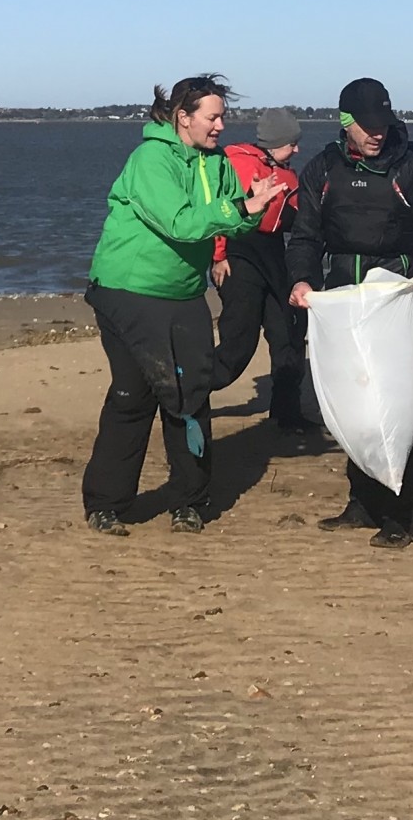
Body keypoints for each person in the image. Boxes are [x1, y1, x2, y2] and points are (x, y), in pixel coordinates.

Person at [81, 75, 289, 535]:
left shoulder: (215, 162)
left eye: (222, 117)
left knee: (189, 394)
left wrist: (251, 207)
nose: (220, 126)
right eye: (212, 117)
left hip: (183, 292)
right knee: (134, 394)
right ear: (183, 117)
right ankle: (106, 503)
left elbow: (226, 223)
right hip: (128, 289)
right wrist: (239, 211)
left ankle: (190, 501)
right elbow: (179, 223)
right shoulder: (150, 159)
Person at [287, 78, 413, 549]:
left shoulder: (409, 168)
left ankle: (403, 515)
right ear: (345, 123)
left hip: (393, 297)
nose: (376, 134)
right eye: (366, 126)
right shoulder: (322, 169)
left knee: (404, 402)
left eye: (382, 124)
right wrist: (299, 280)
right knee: (355, 400)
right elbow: (304, 236)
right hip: (342, 294)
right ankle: (362, 502)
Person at [208, 108, 310, 431]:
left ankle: (287, 415)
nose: (296, 150)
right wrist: (219, 256)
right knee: (239, 342)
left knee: (288, 333)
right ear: (274, 142)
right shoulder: (239, 163)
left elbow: (297, 219)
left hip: (273, 255)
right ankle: (185, 392)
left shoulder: (287, 173)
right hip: (240, 255)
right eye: (291, 144)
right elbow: (221, 213)